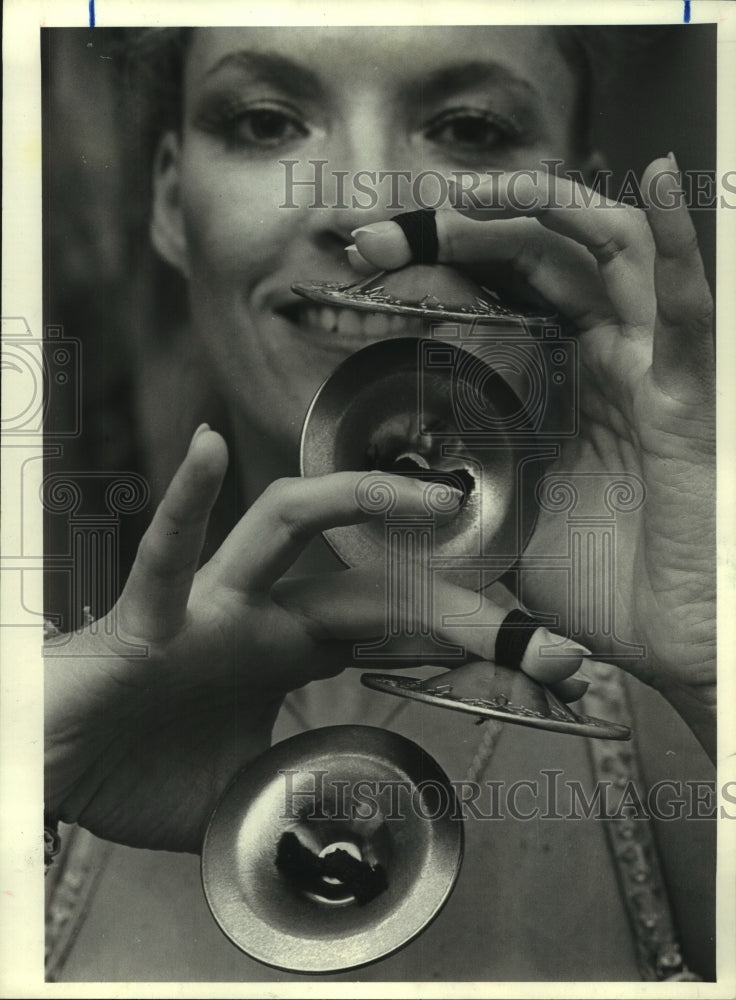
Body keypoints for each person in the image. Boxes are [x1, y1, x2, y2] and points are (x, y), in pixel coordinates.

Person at [43, 24, 716, 983]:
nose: (363, 200)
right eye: (268, 121)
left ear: (572, 214)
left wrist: (709, 650)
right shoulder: (55, 726)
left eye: (470, 127)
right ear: (167, 199)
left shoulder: (683, 738)